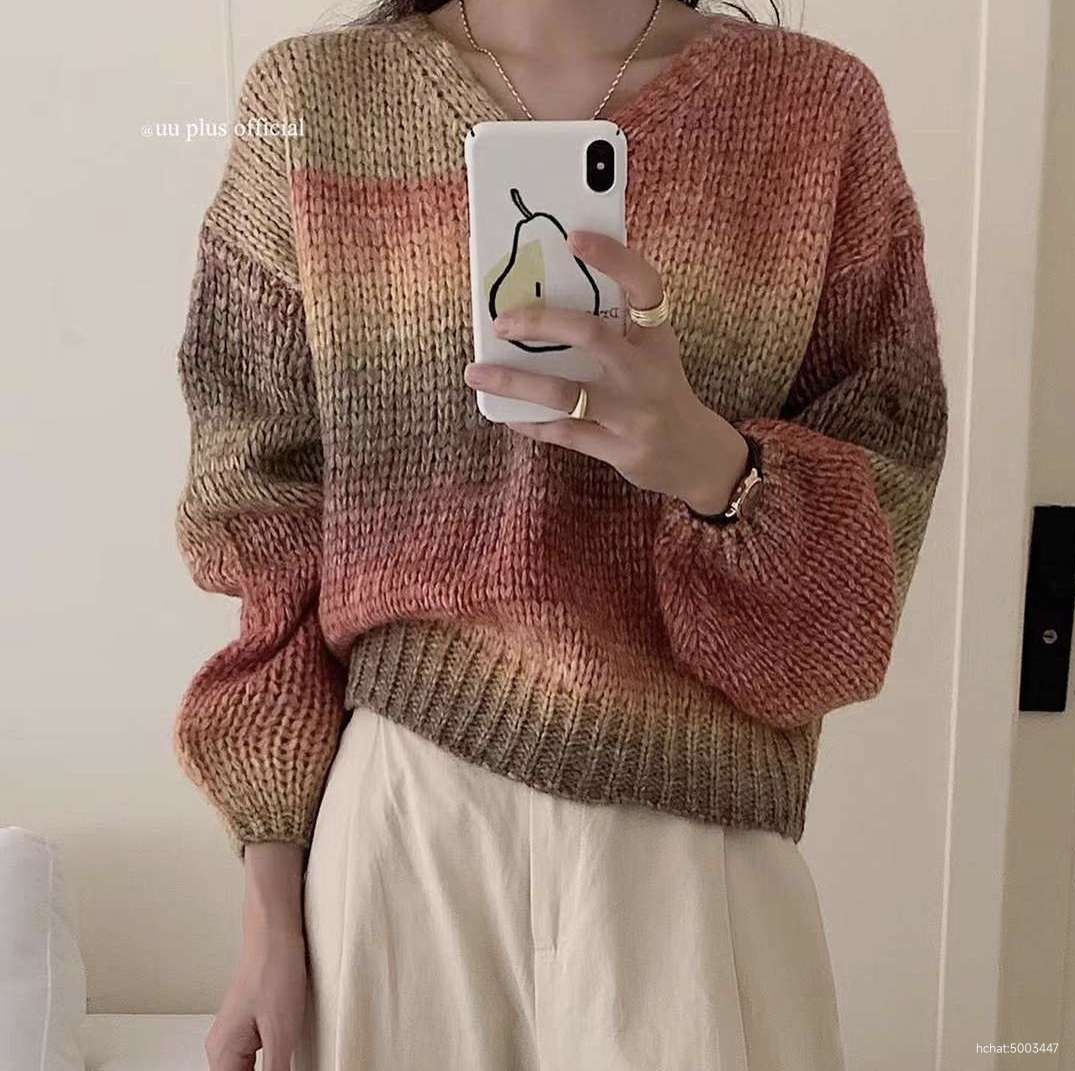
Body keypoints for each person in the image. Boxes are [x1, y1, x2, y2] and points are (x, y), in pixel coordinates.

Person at [170, 0, 949, 1068]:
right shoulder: (311, 100)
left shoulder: (816, 111)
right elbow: (264, 531)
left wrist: (709, 464)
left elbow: (855, 596)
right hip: (404, 834)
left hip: (696, 855)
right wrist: (270, 912)